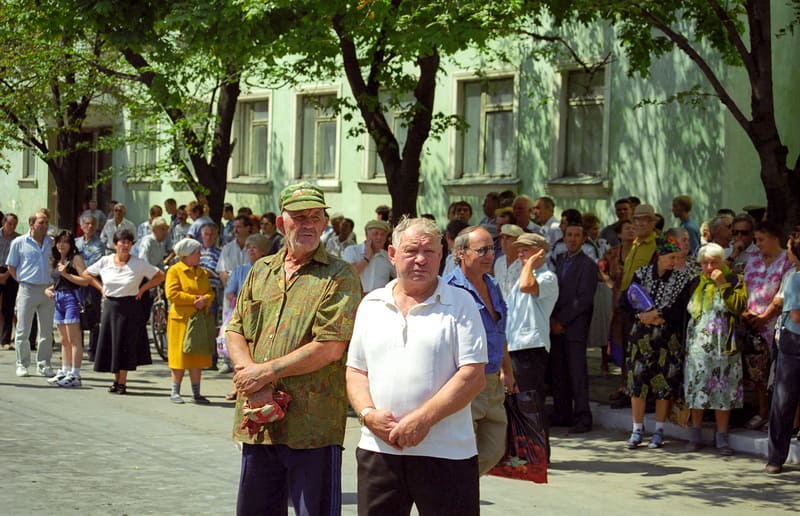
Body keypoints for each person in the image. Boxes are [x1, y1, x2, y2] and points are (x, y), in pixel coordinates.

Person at [226, 182, 362, 515]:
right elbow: (235, 329)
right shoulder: (261, 270)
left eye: (316, 217)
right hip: (260, 421)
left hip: (312, 428)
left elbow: (330, 346)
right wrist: (253, 381)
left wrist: (264, 373)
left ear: (324, 223)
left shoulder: (339, 275)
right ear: (280, 223)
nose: (308, 224)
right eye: (299, 216)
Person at [347, 216, 487, 515]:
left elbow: (473, 377)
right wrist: (368, 414)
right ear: (393, 254)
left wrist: (422, 420)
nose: (420, 260)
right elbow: (356, 371)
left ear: (442, 256)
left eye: (429, 252)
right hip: (380, 450)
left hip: (446, 454)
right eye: (411, 251)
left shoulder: (461, 304)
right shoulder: (371, 304)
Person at [445, 225, 516, 474]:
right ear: (461, 253)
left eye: (492, 249)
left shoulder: (492, 284)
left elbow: (499, 332)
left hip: (493, 379)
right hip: (466, 378)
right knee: (462, 446)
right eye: (482, 250)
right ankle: (454, 494)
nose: (490, 255)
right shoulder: (449, 289)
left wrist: (507, 370)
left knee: (495, 447)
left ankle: (454, 488)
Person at [622, 236, 694, 449]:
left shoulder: (682, 280)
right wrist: (640, 316)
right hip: (641, 336)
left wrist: (658, 314)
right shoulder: (642, 274)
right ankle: (637, 429)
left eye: (677, 257)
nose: (674, 261)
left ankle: (659, 430)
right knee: (637, 382)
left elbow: (681, 309)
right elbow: (626, 301)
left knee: (663, 383)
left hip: (666, 338)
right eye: (671, 257)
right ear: (659, 256)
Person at [82, 228, 165, 394]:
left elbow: (159, 275)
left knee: (125, 344)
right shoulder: (105, 261)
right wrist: (101, 288)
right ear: (115, 244)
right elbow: (87, 274)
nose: (125, 245)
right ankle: (115, 379)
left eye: (128, 242)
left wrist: (143, 289)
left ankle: (122, 382)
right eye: (122, 242)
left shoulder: (138, 263)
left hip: (129, 307)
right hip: (111, 306)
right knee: (112, 343)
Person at [683, 243, 747, 455]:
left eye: (714, 262)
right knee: (697, 391)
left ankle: (722, 438)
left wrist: (722, 284)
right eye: (705, 263)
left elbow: (739, 306)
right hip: (698, 349)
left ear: (723, 262)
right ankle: (695, 436)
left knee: (724, 393)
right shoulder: (695, 283)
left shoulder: (735, 280)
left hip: (724, 347)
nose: (710, 267)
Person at [505, 232, 558, 460]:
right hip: (516, 345)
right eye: (518, 251)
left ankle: (538, 453)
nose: (520, 255)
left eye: (525, 250)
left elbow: (529, 286)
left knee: (532, 402)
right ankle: (524, 450)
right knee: (518, 403)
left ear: (539, 252)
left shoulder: (546, 277)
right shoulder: (522, 276)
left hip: (531, 346)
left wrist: (532, 263)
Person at [741, 220, 792, 431]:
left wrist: (765, 316)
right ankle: (761, 412)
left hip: (775, 324)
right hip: (752, 324)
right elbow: (744, 287)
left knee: (777, 372)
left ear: (775, 238)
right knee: (757, 373)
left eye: (761, 240)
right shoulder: (753, 259)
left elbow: (783, 293)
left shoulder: (786, 261)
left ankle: (777, 415)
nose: (758, 244)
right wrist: (745, 312)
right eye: (756, 240)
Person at [549, 222, 598, 433]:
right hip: (557, 326)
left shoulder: (588, 265)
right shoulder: (559, 261)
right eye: (569, 235)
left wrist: (562, 321)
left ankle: (582, 417)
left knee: (577, 374)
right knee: (560, 373)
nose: (572, 239)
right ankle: (562, 414)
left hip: (575, 327)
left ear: (583, 239)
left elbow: (584, 299)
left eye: (577, 235)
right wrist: (552, 320)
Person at [765, 231, 800, 474]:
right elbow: (797, 315)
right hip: (795, 341)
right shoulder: (795, 279)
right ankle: (776, 457)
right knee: (784, 399)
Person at [6, 210, 56, 377]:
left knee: (46, 330)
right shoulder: (19, 242)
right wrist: (22, 281)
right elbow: (11, 267)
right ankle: (22, 363)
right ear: (31, 224)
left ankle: (43, 364)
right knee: (23, 329)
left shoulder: (52, 243)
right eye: (41, 222)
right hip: (27, 288)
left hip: (48, 289)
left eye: (46, 223)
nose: (44, 226)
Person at [165, 238, 215, 404]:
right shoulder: (174, 271)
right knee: (179, 357)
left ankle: (196, 393)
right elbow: (172, 294)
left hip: (198, 320)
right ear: (188, 255)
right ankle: (175, 391)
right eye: (197, 252)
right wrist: (194, 299)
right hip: (180, 321)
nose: (200, 255)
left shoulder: (202, 272)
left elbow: (210, 292)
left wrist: (205, 299)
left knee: (196, 356)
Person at [45, 231, 89, 387]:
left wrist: (67, 274)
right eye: (59, 241)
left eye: (65, 241)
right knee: (64, 340)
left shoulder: (75, 259)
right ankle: (65, 370)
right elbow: (59, 282)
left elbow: (85, 280)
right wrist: (49, 289)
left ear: (71, 244)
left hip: (71, 299)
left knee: (74, 339)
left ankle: (75, 375)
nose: (61, 245)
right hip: (59, 299)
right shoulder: (57, 260)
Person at [75, 214, 105, 361]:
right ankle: (77, 348)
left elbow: (94, 264)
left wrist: (79, 266)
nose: (90, 226)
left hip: (92, 283)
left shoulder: (100, 244)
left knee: (93, 317)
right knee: (76, 316)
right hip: (76, 283)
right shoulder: (75, 243)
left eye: (93, 224)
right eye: (87, 224)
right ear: (81, 226)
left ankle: (93, 350)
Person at [343, 220, 395, 294]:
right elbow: (348, 274)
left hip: (379, 301)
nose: (379, 237)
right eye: (375, 234)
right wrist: (367, 258)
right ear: (366, 235)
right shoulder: (352, 251)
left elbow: (399, 277)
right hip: (355, 299)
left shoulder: (388, 256)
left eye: (382, 234)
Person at [0, 213, 21, 349]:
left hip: (10, 273)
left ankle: (5, 340)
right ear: (3, 222)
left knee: (8, 307)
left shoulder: (18, 239)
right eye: (9, 224)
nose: (12, 227)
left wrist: (7, 274)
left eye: (14, 224)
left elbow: (19, 260)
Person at [493, 223, 525, 300]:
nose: (503, 242)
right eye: (502, 238)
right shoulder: (499, 262)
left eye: (508, 238)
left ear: (518, 241)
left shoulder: (525, 263)